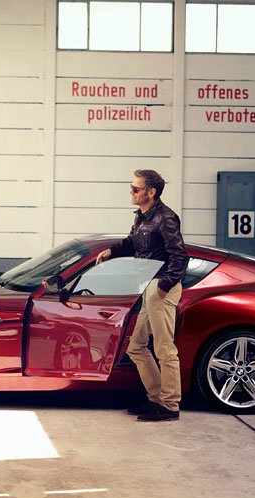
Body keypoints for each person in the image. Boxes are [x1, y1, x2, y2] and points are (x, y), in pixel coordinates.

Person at [95, 169, 188, 422]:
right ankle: (156, 398)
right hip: (148, 286)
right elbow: (131, 242)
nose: (131, 192)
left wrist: (164, 285)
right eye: (131, 187)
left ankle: (169, 406)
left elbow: (179, 256)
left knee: (164, 348)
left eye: (135, 189)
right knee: (136, 347)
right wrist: (110, 252)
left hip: (159, 286)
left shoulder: (166, 218)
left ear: (151, 192)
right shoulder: (142, 217)